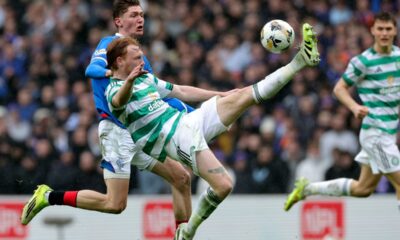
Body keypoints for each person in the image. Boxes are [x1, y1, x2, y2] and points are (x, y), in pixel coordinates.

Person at [105, 23, 319, 239]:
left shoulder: (145, 79)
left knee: (244, 95)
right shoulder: (113, 89)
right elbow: (118, 101)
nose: (142, 61)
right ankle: (187, 231)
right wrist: (129, 81)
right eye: (136, 57)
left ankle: (300, 60)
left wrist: (221, 93)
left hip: (187, 121)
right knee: (224, 185)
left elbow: (180, 90)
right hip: (173, 138)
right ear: (120, 61)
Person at [21, 0, 208, 227]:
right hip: (116, 133)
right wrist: (115, 73)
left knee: (181, 178)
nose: (140, 19)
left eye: (141, 15)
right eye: (133, 15)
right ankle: (48, 196)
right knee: (115, 204)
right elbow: (91, 70)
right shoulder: (110, 44)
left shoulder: (139, 58)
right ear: (118, 21)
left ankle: (182, 235)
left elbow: (158, 96)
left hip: (138, 131)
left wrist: (194, 113)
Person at [284, 12, 400, 212]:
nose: (384, 33)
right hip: (375, 134)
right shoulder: (362, 62)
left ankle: (307, 189)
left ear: (395, 31)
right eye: (380, 29)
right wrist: (354, 107)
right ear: (372, 31)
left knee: (363, 189)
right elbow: (339, 89)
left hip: (388, 134)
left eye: (388, 29)